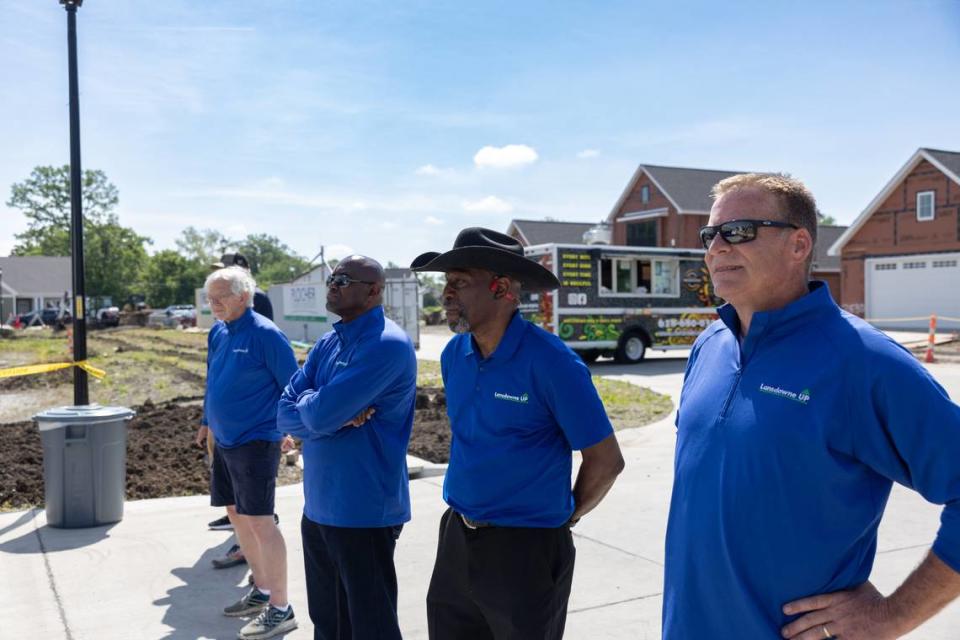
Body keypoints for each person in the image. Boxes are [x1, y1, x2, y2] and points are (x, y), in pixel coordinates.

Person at [664, 173, 960, 639]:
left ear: (798, 245)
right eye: (710, 234)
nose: (717, 247)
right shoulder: (710, 345)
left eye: (737, 231)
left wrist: (893, 616)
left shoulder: (864, 361)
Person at [411, 228, 625, 639]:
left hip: (527, 549)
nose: (447, 293)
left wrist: (565, 515)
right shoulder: (454, 355)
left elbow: (607, 461)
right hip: (456, 535)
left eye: (459, 282)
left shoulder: (552, 362)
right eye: (446, 283)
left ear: (502, 287)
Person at [277, 255, 416, 640]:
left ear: (373, 290)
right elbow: (283, 413)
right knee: (329, 622)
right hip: (319, 507)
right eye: (331, 278)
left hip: (364, 510)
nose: (333, 285)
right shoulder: (328, 341)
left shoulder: (386, 345)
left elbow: (315, 417)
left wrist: (322, 414)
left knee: (371, 627)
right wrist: (330, 413)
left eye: (343, 279)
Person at [196, 266, 300, 639]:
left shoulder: (266, 335)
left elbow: (293, 386)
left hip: (256, 440)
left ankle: (281, 607)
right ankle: (261, 589)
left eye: (221, 297)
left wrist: (288, 430)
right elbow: (212, 379)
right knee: (236, 515)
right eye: (210, 298)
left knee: (259, 521)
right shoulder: (218, 332)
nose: (214, 304)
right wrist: (207, 420)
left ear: (244, 296)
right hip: (224, 441)